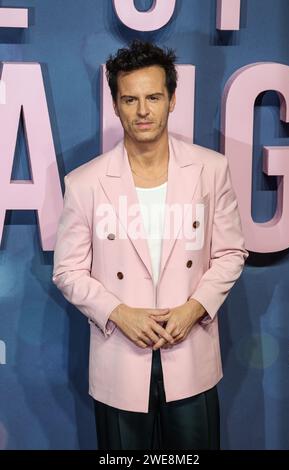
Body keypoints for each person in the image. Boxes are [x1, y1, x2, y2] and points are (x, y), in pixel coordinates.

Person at [52, 40, 249, 450]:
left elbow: (230, 253)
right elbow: (67, 270)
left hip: (190, 352)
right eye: (130, 99)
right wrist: (119, 313)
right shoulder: (85, 183)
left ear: (172, 99)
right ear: (116, 104)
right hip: (120, 359)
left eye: (154, 97)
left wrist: (193, 309)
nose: (143, 111)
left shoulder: (210, 170)